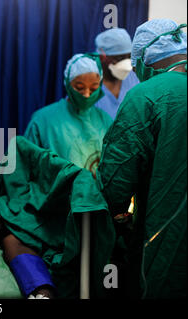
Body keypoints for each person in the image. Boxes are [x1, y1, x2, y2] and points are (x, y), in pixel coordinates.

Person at [0, 136, 116, 299]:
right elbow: (28, 267)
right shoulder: (12, 239)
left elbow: (18, 147)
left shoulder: (5, 200)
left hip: (63, 189)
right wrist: (43, 293)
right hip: (82, 207)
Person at [97, 19, 187, 299]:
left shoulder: (147, 96)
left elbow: (115, 184)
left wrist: (115, 218)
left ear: (145, 60)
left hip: (168, 244)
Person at [24, 53, 112, 176]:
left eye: (93, 89)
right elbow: (27, 169)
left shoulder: (105, 121)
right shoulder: (43, 121)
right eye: (80, 88)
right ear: (67, 84)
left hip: (96, 194)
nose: (86, 95)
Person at [94, 28, 140, 119]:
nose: (127, 64)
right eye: (120, 58)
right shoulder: (88, 81)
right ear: (102, 57)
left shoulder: (134, 78)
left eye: (129, 57)